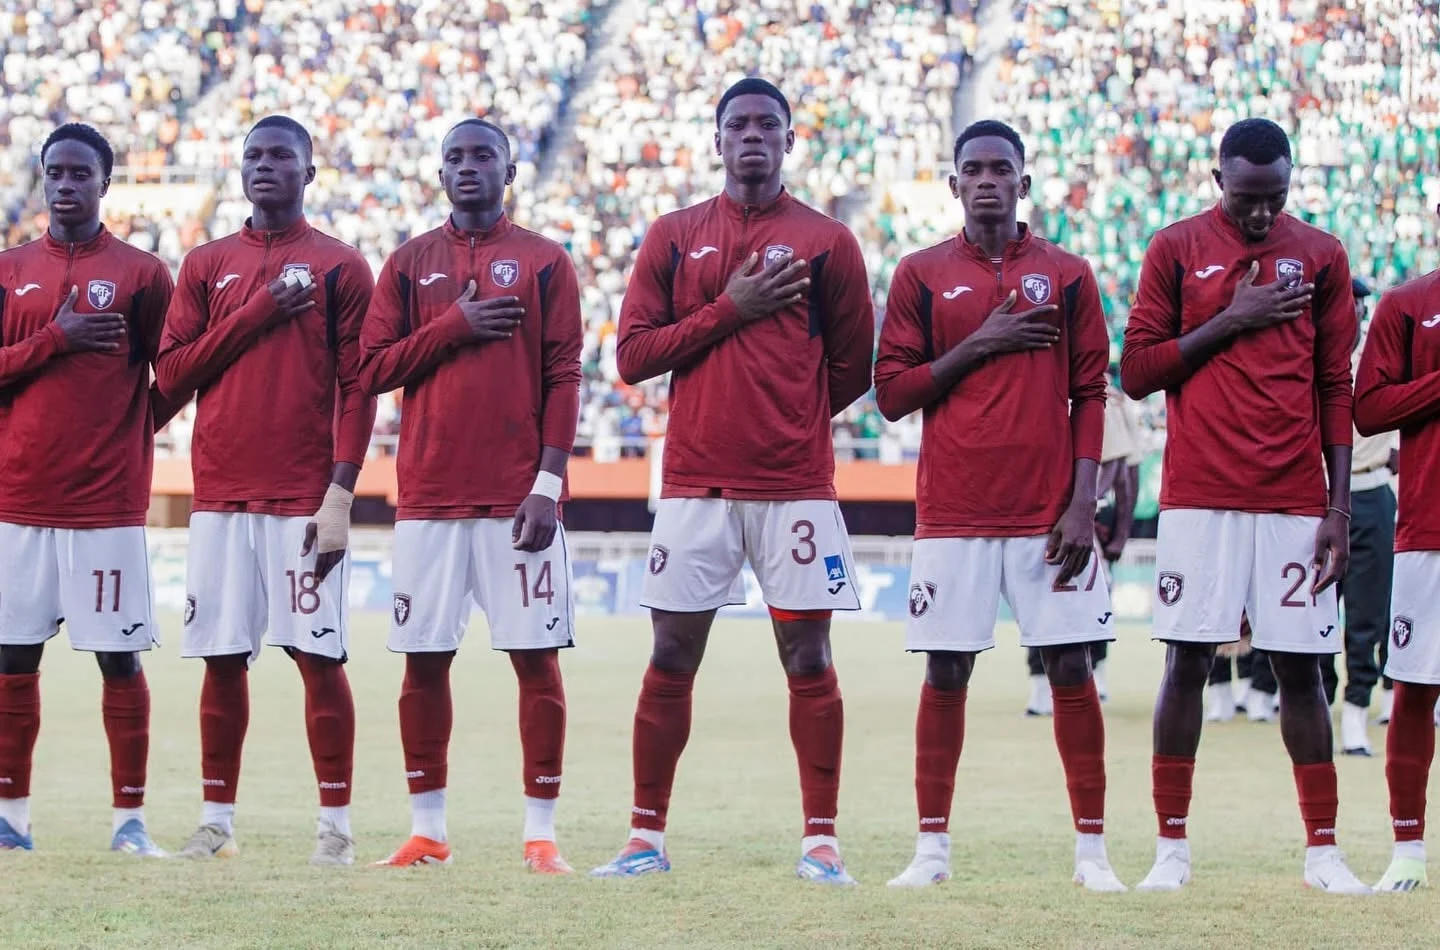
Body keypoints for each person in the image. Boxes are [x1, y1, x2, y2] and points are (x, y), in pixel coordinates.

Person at [589, 78, 874, 884]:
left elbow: (852, 368)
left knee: (808, 656)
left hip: (796, 489)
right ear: (717, 140)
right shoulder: (674, 236)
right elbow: (635, 358)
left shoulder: (829, 243)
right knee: (672, 654)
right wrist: (732, 309)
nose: (753, 135)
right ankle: (645, 838)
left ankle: (822, 840)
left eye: (768, 125)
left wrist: (789, 420)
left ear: (789, 140)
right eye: (738, 125)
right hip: (695, 487)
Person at [1121, 118, 1368, 894]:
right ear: (1218, 179)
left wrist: (1337, 508)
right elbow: (1136, 370)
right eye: (1246, 198)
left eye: (1275, 198)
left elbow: (1336, 386)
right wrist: (1230, 320)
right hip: (1199, 495)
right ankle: (1171, 850)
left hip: (1296, 499)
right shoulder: (1175, 249)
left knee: (1303, 671)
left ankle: (1323, 852)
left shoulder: (1323, 254)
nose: (1261, 215)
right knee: (1185, 661)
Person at [874, 120, 1123, 891]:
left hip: (1049, 516)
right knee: (946, 673)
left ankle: (1092, 854)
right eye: (972, 170)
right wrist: (981, 342)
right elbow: (891, 395)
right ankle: (931, 851)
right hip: (953, 511)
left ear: (1024, 180)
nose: (987, 180)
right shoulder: (919, 273)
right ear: (954, 185)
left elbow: (1091, 395)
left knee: (1071, 668)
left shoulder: (1069, 273)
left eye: (1000, 169)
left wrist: (1084, 502)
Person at [359, 118, 583, 873]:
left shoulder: (546, 261)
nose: (467, 167)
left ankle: (541, 833)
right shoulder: (408, 263)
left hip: (517, 500)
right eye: (454, 155)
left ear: (510, 169)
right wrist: (454, 325)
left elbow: (563, 375)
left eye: (482, 154)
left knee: (535, 661)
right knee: (423, 662)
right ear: (439, 171)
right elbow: (376, 369)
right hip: (427, 499)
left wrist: (548, 482)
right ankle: (428, 831)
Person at [155, 115, 377, 866]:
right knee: (220, 659)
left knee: (319, 660)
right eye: (252, 155)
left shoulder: (342, 266)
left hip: (301, 501)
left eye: (282, 156)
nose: (264, 166)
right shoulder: (205, 263)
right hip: (220, 498)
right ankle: (216, 820)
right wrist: (255, 314)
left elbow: (360, 387)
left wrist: (341, 494)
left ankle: (336, 830)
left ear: (309, 173)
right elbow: (172, 376)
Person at [0, 123, 178, 856]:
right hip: (16, 502)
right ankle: (11, 820)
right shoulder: (9, 270)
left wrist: (130, 431)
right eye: (54, 173)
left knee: (118, 659)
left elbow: (174, 373)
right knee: (12, 661)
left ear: (106, 182)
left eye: (80, 173)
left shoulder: (142, 274)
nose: (66, 185)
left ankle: (128, 823)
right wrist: (57, 340)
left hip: (105, 508)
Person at [1354, 235, 1440, 891]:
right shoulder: (1408, 305)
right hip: (1429, 528)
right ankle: (1408, 850)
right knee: (1414, 685)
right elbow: (1372, 407)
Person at [1023, 371, 1140, 715]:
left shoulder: (1105, 393)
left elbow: (1123, 466)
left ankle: (1097, 678)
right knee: (1039, 599)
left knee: (1091, 601)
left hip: (1089, 515)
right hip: (1043, 510)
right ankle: (1039, 687)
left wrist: (1116, 529)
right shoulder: (1036, 382)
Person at [1334, 278, 1397, 756]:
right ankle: (1314, 706)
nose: (1352, 313)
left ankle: (1356, 712)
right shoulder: (1306, 357)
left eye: (1358, 305)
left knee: (1367, 615)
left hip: (1370, 490)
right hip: (1316, 497)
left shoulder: (1381, 360)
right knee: (1308, 612)